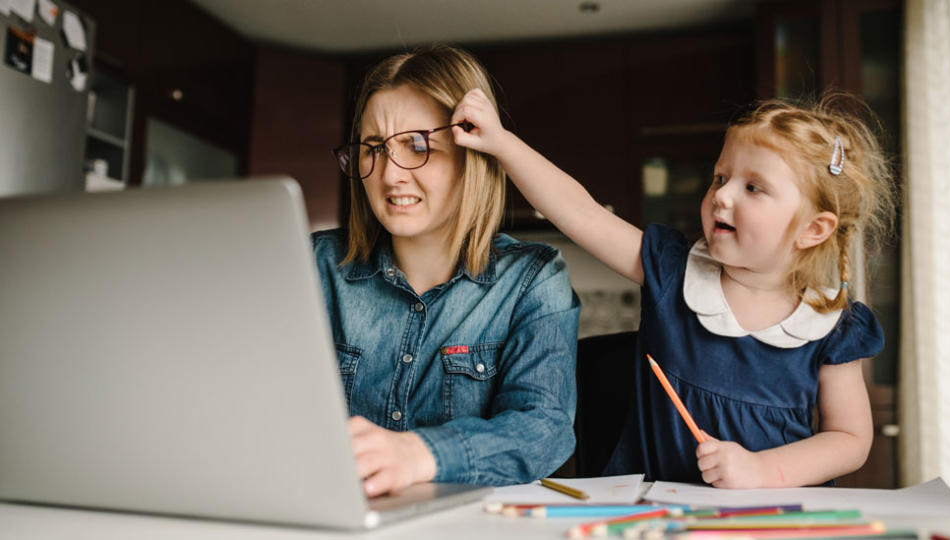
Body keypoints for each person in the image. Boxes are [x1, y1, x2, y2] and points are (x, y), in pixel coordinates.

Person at [452, 90, 896, 488]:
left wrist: (762, 472)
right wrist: (501, 143)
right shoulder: (672, 271)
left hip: (771, 520)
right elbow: (580, 213)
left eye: (753, 187)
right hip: (653, 514)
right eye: (720, 178)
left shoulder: (833, 324)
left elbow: (849, 440)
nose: (722, 196)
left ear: (813, 229)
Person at [313, 45, 580, 497]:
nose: (390, 175)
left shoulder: (531, 280)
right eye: (373, 148)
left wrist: (420, 454)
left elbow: (544, 430)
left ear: (472, 154)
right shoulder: (316, 267)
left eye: (418, 146)